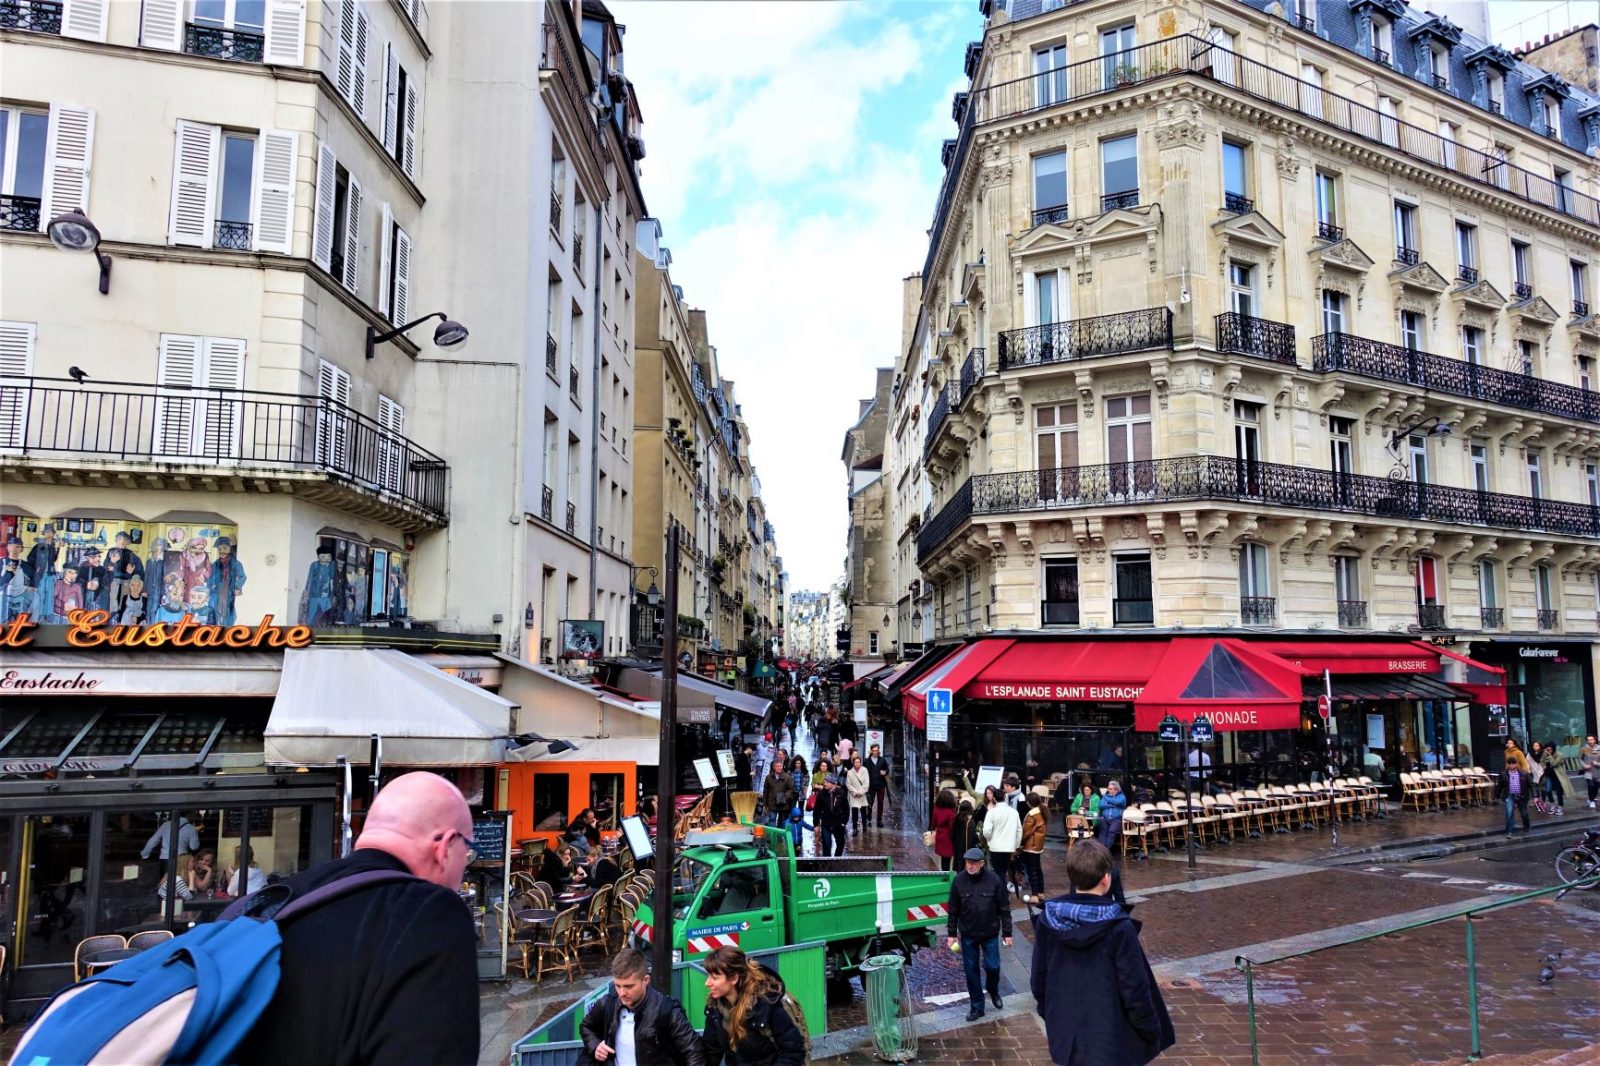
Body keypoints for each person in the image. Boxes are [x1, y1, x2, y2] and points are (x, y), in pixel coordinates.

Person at [236, 771, 479, 1066]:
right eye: (468, 852)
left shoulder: (270, 901)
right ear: (445, 846)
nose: (465, 866)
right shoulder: (430, 914)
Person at [1031, 840, 1175, 1066]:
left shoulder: (1047, 920)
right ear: (1106, 879)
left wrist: (1053, 1017)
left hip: (1068, 1038)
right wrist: (1151, 1030)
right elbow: (1135, 988)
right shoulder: (1119, 927)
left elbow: (1039, 980)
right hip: (1111, 1040)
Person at [578, 948, 705, 1066]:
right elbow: (586, 1026)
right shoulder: (607, 1004)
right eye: (617, 986)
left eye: (629, 986)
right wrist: (595, 1045)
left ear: (645, 980)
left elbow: (695, 1052)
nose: (622, 993)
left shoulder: (668, 1011)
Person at [699, 945, 806, 1066]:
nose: (707, 983)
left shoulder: (767, 1003)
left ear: (734, 978)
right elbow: (710, 1051)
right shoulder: (715, 1007)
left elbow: (793, 1053)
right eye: (708, 976)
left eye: (714, 978)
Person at [946, 847, 1013, 1023]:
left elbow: (1004, 908)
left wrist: (1007, 933)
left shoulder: (994, 880)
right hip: (968, 934)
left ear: (982, 863)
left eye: (974, 863)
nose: (970, 866)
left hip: (990, 933)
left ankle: (993, 990)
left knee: (993, 967)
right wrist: (951, 934)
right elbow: (953, 910)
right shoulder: (959, 881)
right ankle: (977, 1006)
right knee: (971, 971)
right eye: (968, 862)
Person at [979, 786, 1021, 898]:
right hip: (1009, 847)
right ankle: (1002, 895)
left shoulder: (991, 812)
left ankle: (1002, 896)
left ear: (994, 798)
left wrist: (989, 840)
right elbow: (1019, 831)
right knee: (1003, 871)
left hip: (995, 847)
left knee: (999, 872)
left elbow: (986, 831)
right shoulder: (1014, 812)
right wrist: (1016, 845)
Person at [1498, 741, 1532, 835]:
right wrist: (1497, 794)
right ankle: (1509, 830)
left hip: (1520, 788)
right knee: (1509, 812)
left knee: (1523, 811)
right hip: (1509, 791)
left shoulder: (1518, 752)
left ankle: (1527, 826)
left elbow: (1524, 763)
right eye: (1508, 743)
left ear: (1514, 744)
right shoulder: (1506, 752)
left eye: (1510, 743)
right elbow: (1500, 785)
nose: (1508, 744)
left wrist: (1524, 774)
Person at [1019, 793, 1047, 903]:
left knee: (1032, 870)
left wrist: (1021, 842)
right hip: (1038, 844)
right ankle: (1041, 893)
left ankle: (1034, 895)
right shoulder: (1041, 812)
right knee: (1038, 869)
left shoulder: (1032, 814)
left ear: (1029, 802)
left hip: (1031, 845)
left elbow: (1027, 832)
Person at [816, 773, 850, 857]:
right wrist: (816, 824)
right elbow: (817, 810)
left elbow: (846, 808)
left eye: (827, 782)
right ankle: (827, 862)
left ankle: (836, 860)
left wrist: (844, 822)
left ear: (833, 784)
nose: (825, 783)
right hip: (826, 823)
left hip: (838, 823)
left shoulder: (841, 793)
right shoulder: (821, 793)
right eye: (825, 781)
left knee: (840, 843)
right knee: (826, 845)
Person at [864, 743, 891, 828]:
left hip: (881, 784)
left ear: (879, 751)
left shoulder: (882, 760)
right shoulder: (866, 761)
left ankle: (879, 819)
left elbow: (887, 770)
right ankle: (869, 815)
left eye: (876, 750)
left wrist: (885, 772)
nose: (875, 752)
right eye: (873, 750)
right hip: (871, 785)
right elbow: (863, 772)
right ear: (871, 751)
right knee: (870, 801)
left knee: (880, 802)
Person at [761, 760, 795, 828]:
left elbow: (791, 789)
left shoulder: (787, 777)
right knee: (772, 820)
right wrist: (765, 803)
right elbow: (765, 791)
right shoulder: (768, 777)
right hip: (772, 803)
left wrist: (784, 797)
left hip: (783, 804)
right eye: (777, 766)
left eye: (780, 766)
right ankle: (773, 834)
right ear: (774, 767)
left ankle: (780, 834)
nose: (779, 768)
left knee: (782, 822)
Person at [1097, 779, 1128, 851]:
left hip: (1116, 819)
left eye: (1110, 789)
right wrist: (1112, 805)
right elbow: (1101, 805)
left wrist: (1105, 797)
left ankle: (1107, 849)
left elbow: (1117, 802)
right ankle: (1101, 849)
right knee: (1102, 830)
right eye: (1108, 788)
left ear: (1116, 789)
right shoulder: (1107, 795)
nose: (1108, 790)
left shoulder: (1122, 796)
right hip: (1105, 818)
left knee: (1111, 831)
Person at [931, 789, 958, 872]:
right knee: (948, 859)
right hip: (948, 838)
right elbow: (951, 826)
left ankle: (943, 872)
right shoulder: (951, 811)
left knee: (943, 858)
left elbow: (934, 823)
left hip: (940, 835)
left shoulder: (936, 809)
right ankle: (947, 875)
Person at [845, 755, 871, 834]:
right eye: (855, 762)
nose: (857, 763)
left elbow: (866, 783)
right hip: (854, 795)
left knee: (863, 811)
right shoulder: (850, 772)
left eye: (858, 762)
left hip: (862, 794)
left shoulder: (865, 770)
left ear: (860, 763)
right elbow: (848, 784)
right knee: (854, 812)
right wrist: (855, 793)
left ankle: (864, 826)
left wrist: (861, 792)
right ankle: (855, 828)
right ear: (853, 763)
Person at [1539, 741, 1566, 816]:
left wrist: (1550, 756)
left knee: (1559, 792)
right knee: (1548, 790)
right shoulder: (1545, 753)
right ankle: (1552, 805)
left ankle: (1560, 807)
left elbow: (1554, 763)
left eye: (1550, 749)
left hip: (1558, 775)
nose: (1549, 751)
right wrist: (1544, 767)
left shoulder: (1559, 754)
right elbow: (1541, 761)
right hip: (1548, 775)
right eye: (1548, 749)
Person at [1583, 735, 1600, 810]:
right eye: (1588, 740)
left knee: (1596, 787)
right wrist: (1585, 765)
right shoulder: (1584, 749)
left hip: (1597, 771)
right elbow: (1579, 758)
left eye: (1591, 739)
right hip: (1588, 771)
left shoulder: (1599, 749)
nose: (1590, 741)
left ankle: (1591, 797)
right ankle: (1591, 801)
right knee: (1591, 786)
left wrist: (1597, 763)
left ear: (1595, 740)